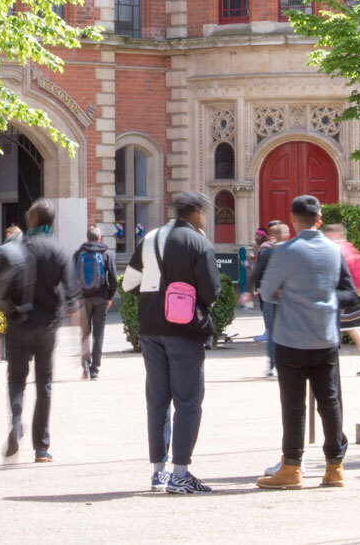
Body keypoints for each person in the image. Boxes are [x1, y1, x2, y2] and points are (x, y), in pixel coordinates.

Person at [255, 194, 355, 491]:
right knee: (330, 402)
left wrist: (292, 296)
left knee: (294, 404)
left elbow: (269, 291)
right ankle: (334, 466)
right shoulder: (334, 250)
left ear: (294, 219)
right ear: (319, 219)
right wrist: (323, 300)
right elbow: (348, 293)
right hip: (325, 337)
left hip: (291, 338)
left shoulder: (285, 251)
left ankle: (292, 467)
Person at [122, 192, 219, 493]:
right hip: (184, 326)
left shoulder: (150, 238)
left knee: (158, 399)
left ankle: (158, 471)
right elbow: (212, 291)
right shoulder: (199, 242)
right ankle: (181, 473)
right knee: (188, 400)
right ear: (197, 214)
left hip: (150, 326)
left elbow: (128, 284)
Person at [0, 199, 79, 462]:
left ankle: (16, 421)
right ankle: (42, 447)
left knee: (16, 380)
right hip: (48, 325)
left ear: (34, 219)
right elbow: (72, 294)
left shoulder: (19, 246)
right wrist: (81, 342)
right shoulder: (58, 249)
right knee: (44, 384)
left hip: (18, 321)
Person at [323, 223, 360, 376]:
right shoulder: (349, 247)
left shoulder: (336, 249)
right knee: (356, 329)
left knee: (349, 329)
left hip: (342, 295)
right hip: (353, 293)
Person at [245, 221, 291, 377]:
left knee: (273, 331)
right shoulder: (293, 250)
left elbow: (256, 271)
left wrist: (248, 291)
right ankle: (286, 363)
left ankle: (272, 365)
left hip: (270, 295)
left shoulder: (267, 251)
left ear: (272, 236)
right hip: (288, 297)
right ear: (286, 235)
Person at [74, 226, 119, 381]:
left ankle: (85, 365)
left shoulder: (79, 253)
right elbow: (113, 278)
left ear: (87, 238)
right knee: (98, 334)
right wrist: (109, 296)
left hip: (83, 298)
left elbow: (72, 276)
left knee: (85, 334)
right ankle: (95, 370)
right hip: (101, 297)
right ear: (100, 238)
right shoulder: (106, 253)